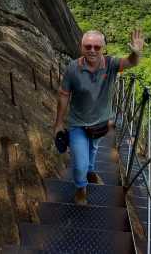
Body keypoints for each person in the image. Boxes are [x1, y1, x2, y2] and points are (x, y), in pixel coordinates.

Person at [53, 29, 144, 205]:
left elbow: (131, 62)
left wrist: (136, 53)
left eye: (97, 46)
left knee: (93, 149)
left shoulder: (110, 64)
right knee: (80, 162)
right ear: (81, 47)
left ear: (103, 48)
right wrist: (58, 123)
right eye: (88, 46)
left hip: (100, 123)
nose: (92, 50)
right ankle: (81, 188)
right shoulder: (73, 68)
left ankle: (91, 171)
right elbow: (64, 94)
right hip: (78, 123)